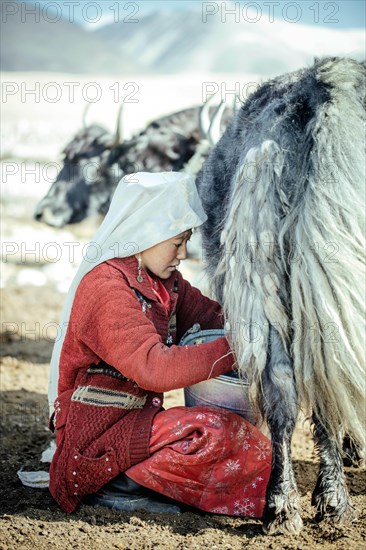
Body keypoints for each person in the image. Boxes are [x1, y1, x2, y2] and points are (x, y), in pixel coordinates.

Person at [48, 171, 271, 516]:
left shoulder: (165, 285)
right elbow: (154, 368)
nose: (183, 253)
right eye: (177, 241)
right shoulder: (106, 288)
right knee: (216, 433)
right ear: (146, 232)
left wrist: (266, 323)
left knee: (239, 436)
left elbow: (213, 318)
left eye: (187, 240)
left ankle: (141, 479)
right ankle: (111, 481)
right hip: (97, 436)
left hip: (135, 424)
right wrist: (240, 347)